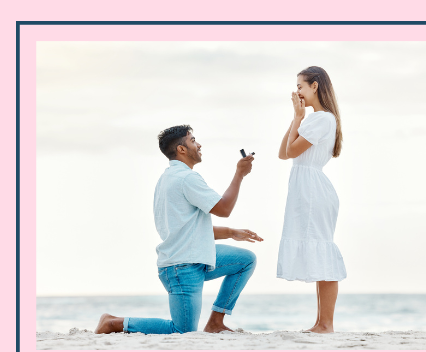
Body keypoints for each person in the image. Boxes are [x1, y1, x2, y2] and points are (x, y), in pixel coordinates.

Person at [95, 125, 263, 334]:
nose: (199, 144)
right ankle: (113, 322)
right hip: (181, 267)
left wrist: (230, 232)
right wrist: (239, 174)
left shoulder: (167, 178)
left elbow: (189, 229)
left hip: (194, 258)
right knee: (182, 331)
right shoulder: (187, 178)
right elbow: (224, 208)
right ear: (182, 149)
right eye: (193, 140)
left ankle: (215, 323)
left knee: (246, 260)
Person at [277, 66, 346, 333]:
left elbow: (292, 150)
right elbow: (283, 154)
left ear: (315, 86)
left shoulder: (322, 119)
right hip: (306, 187)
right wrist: (296, 118)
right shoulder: (311, 119)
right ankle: (321, 323)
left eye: (300, 87)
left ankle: (326, 324)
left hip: (313, 189)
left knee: (322, 250)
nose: (297, 92)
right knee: (318, 251)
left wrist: (298, 117)